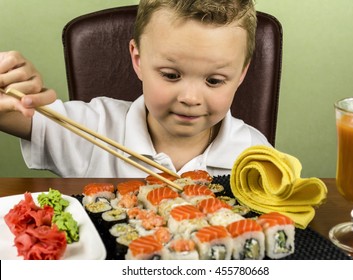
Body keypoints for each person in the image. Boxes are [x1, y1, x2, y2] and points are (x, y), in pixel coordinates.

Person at [0, 0, 271, 178]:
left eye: (214, 81)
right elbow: (8, 114)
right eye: (171, 75)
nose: (190, 98)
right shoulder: (93, 129)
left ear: (241, 74)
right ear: (138, 59)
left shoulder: (258, 157)